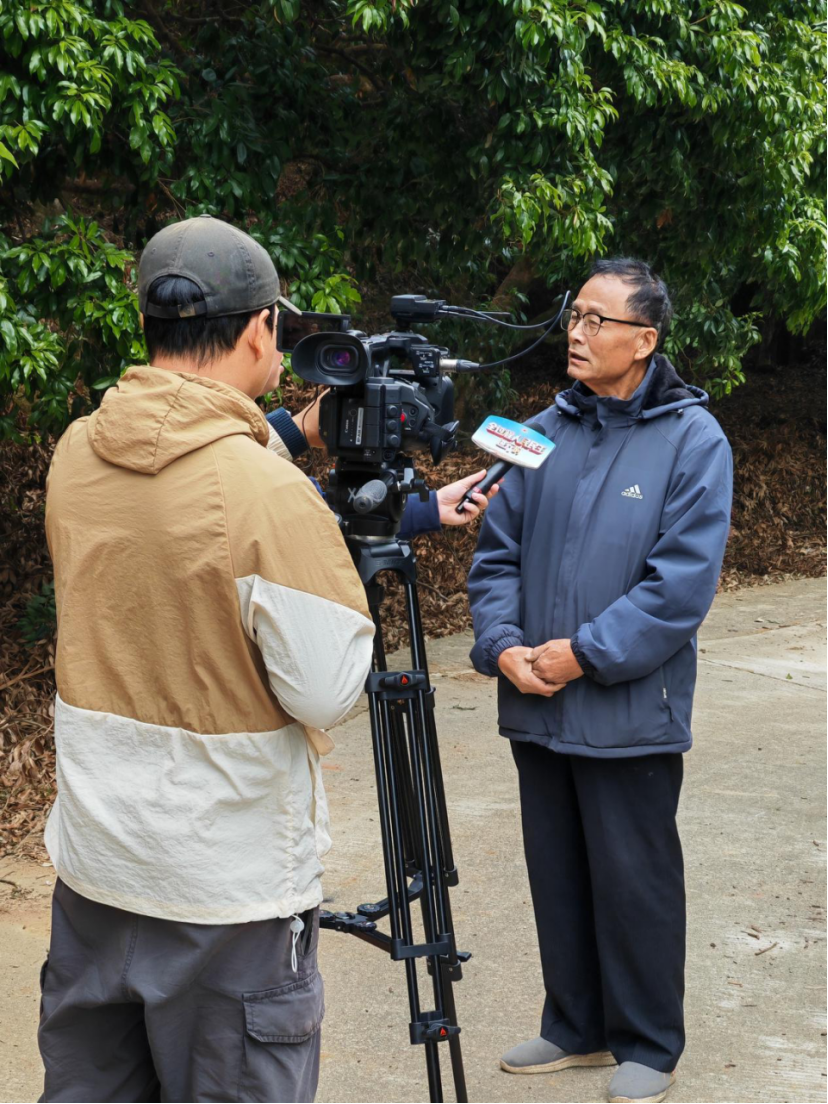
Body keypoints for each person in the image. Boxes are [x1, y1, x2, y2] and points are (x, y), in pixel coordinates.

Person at [38, 214, 495, 1104]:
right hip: (224, 896)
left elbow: (178, 477)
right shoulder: (268, 493)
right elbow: (323, 690)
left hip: (96, 867)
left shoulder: (77, 451)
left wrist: (292, 431)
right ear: (260, 329)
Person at [468, 258, 733, 1104]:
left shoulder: (694, 440)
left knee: (635, 880)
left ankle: (649, 1041)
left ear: (644, 340)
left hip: (628, 707)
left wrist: (582, 653)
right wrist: (503, 646)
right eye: (574, 315)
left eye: (597, 320)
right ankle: (575, 1025)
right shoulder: (535, 432)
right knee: (557, 870)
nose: (576, 333)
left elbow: (678, 587)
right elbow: (495, 555)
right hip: (537, 703)